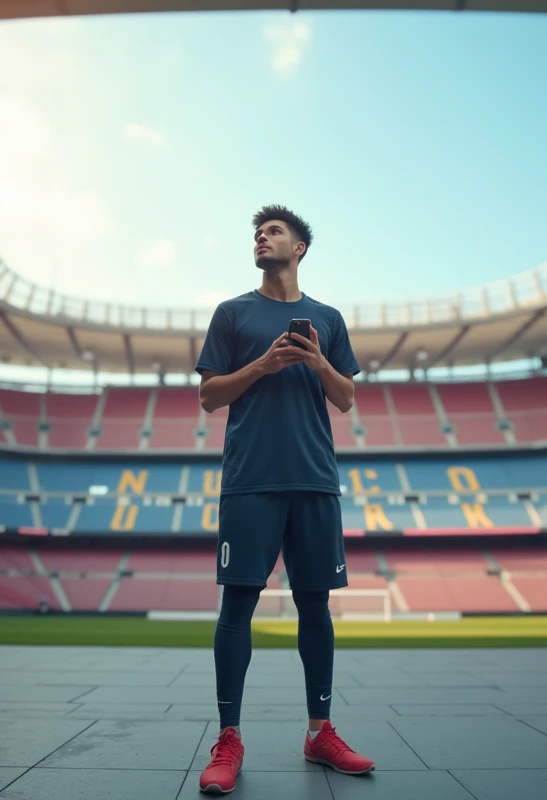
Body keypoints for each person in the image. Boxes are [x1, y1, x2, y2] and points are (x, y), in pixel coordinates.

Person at [193, 205, 375, 794]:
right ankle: (229, 738)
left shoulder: (328, 318)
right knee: (236, 610)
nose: (261, 238)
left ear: (299, 248)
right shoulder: (233, 313)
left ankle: (320, 731)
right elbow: (208, 396)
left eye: (273, 232)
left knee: (315, 608)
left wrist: (317, 358)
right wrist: (264, 364)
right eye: (257, 233)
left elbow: (346, 398)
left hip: (315, 480)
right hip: (250, 481)